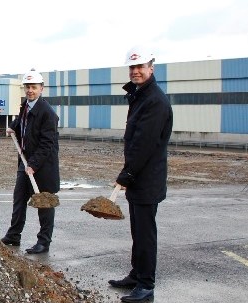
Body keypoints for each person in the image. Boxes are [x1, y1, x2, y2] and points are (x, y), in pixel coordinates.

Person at [108, 46, 173, 303]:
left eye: (140, 67)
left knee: (145, 234)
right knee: (138, 231)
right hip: (139, 179)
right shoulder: (141, 95)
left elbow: (144, 144)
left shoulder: (154, 100)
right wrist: (130, 175)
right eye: (132, 68)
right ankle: (136, 275)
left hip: (147, 179)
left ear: (151, 68)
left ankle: (146, 286)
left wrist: (127, 174)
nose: (135, 71)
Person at [0, 69, 60, 254]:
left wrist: (33, 164)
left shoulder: (48, 113)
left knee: (44, 203)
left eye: (33, 87)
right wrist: (13, 127)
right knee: (19, 199)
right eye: (27, 87)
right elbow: (22, 121)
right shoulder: (26, 105)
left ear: (41, 88)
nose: (30, 91)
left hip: (43, 166)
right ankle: (14, 235)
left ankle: (44, 242)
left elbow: (47, 143)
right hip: (25, 162)